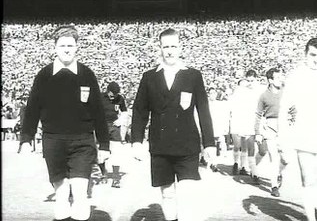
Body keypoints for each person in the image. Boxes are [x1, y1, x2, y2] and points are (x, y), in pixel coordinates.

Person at [19, 25, 110, 221]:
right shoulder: (44, 75)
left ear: (77, 47)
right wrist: (26, 139)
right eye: (62, 46)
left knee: (80, 194)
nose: (67, 49)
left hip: (82, 141)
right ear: (55, 47)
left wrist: (104, 145)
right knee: (61, 197)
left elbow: (98, 113)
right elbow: (32, 109)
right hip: (53, 141)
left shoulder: (87, 74)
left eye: (70, 45)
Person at [131, 28, 216, 221]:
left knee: (187, 194)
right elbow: (139, 111)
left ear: (180, 47)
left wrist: (209, 143)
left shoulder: (193, 76)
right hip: (160, 145)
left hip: (187, 145)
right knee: (167, 194)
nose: (170, 51)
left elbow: (203, 110)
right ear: (160, 48)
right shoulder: (149, 77)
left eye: (173, 46)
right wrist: (136, 141)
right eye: (166, 46)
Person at [278, 38, 317, 221]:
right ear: (305, 54)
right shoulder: (295, 77)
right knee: (309, 179)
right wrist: (283, 143)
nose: (316, 59)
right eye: (313, 55)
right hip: (305, 137)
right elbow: (286, 110)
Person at [254, 67, 287, 197]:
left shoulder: (286, 92)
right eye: (278, 78)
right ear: (270, 80)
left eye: (281, 77)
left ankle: (279, 173)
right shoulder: (264, 96)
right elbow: (258, 114)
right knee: (274, 156)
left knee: (286, 159)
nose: (281, 79)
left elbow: (294, 110)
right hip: (270, 126)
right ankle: (274, 186)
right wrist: (257, 132)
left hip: (285, 125)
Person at [100, 81, 128, 188]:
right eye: (112, 94)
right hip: (101, 127)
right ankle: (103, 174)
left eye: (116, 94)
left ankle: (116, 178)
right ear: (108, 91)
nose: (114, 97)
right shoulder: (100, 97)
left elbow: (124, 111)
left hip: (114, 126)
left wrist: (120, 120)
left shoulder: (120, 98)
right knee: (101, 151)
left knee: (117, 151)